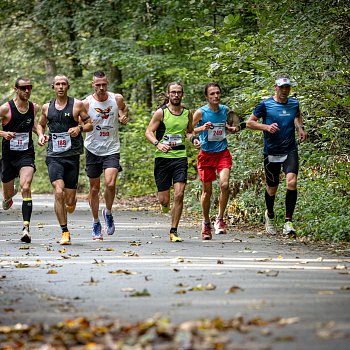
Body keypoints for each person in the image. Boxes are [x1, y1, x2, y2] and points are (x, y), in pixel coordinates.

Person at [246, 74, 306, 236]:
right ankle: (270, 215)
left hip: (289, 150)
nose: (285, 90)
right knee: (272, 188)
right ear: (276, 87)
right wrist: (266, 127)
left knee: (291, 182)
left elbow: (297, 116)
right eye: (281, 87)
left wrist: (300, 128)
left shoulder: (294, 103)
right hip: (271, 151)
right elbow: (249, 123)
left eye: (287, 87)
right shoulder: (265, 105)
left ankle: (288, 222)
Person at [37, 75, 92, 245]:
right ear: (53, 86)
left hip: (72, 155)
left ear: (68, 86)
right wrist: (40, 135)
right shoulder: (47, 107)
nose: (60, 87)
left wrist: (79, 128)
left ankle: (71, 202)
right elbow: (40, 124)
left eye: (63, 84)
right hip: (54, 155)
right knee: (58, 192)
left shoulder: (77, 105)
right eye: (57, 84)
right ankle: (64, 231)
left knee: (69, 200)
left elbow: (90, 124)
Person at [145, 82, 200, 242]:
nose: (176, 95)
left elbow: (189, 132)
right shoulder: (161, 113)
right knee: (164, 199)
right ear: (168, 94)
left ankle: (173, 230)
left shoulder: (187, 113)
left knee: (179, 194)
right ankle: (164, 205)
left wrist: (194, 139)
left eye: (179, 92)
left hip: (180, 157)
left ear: (182, 94)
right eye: (173, 92)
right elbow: (148, 131)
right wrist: (158, 144)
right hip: (162, 159)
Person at [83, 71, 128, 241]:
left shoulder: (116, 99)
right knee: (94, 188)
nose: (101, 88)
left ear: (107, 83)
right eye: (98, 85)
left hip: (111, 148)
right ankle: (95, 223)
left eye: (104, 84)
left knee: (110, 183)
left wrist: (123, 116)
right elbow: (79, 122)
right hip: (93, 149)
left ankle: (108, 212)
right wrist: (85, 124)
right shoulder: (86, 103)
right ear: (92, 85)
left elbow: (124, 110)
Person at [193, 82, 238, 240]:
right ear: (206, 96)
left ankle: (219, 219)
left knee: (224, 184)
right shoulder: (200, 112)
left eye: (218, 93)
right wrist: (200, 130)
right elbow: (188, 130)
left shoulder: (225, 110)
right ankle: (206, 223)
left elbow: (222, 125)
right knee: (208, 191)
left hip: (222, 153)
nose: (216, 96)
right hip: (206, 155)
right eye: (212, 94)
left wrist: (229, 129)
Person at [0, 77, 40, 243]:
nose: (27, 91)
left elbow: (33, 124)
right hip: (9, 156)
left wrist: (41, 134)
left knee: (26, 187)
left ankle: (26, 228)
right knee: (8, 198)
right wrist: (3, 134)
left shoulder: (34, 107)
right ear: (15, 89)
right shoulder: (5, 109)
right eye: (23, 88)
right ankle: (9, 194)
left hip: (26, 154)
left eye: (29, 87)